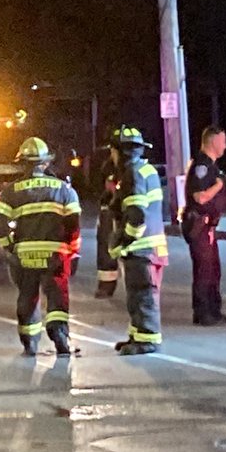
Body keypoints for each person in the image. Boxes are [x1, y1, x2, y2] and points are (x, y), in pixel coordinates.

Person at [0, 137, 81, 356]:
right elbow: (74, 224)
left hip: (25, 256)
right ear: (46, 162)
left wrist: (8, 246)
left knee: (27, 297)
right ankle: (59, 334)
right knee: (58, 295)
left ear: (23, 163)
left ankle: (29, 341)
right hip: (55, 254)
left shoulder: (12, 191)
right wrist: (73, 252)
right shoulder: (64, 189)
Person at [109, 126, 168, 356]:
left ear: (120, 152)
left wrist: (125, 240)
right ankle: (138, 335)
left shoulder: (132, 173)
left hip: (141, 248)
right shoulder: (147, 170)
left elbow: (137, 213)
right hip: (151, 247)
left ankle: (147, 339)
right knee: (138, 295)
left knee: (142, 294)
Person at [182, 125, 226, 326]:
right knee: (204, 270)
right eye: (223, 141)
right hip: (199, 226)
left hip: (208, 227)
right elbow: (200, 197)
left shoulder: (212, 166)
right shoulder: (201, 167)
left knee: (213, 270)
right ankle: (202, 313)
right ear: (213, 141)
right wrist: (219, 185)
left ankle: (214, 310)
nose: (225, 146)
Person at [94, 138, 121, 299]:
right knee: (106, 247)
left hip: (128, 211)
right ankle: (106, 286)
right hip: (109, 211)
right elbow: (101, 188)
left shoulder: (131, 167)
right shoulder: (108, 166)